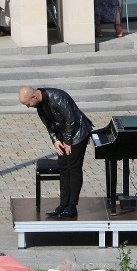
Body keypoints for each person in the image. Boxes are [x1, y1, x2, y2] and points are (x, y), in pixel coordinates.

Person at [18, 85, 93, 219]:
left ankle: (72, 206)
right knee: (63, 168)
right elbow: (48, 124)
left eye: (28, 103)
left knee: (73, 168)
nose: (28, 107)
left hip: (77, 133)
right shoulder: (39, 105)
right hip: (63, 134)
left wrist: (68, 141)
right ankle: (63, 204)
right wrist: (55, 140)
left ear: (34, 96)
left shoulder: (58, 97)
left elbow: (71, 119)